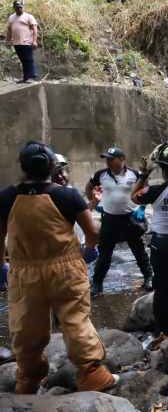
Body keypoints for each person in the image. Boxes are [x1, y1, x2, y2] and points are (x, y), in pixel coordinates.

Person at [0, 141, 119, 394]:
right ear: (52, 166)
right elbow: (92, 231)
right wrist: (89, 249)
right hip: (66, 269)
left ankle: (27, 380)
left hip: (24, 272)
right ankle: (91, 373)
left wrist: (2, 266)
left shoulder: (7, 197)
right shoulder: (67, 195)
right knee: (75, 319)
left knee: (26, 325)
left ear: (23, 167)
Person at [131, 142, 168, 340]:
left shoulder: (155, 191)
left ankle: (162, 330)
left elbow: (134, 196)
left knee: (163, 289)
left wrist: (144, 174)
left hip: (161, 244)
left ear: (163, 170)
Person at [86, 147, 151, 295]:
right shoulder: (100, 175)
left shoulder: (134, 174)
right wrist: (95, 204)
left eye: (111, 159)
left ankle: (148, 277)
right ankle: (97, 284)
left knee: (139, 250)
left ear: (122, 159)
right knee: (105, 253)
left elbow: (146, 189)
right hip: (110, 219)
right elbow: (89, 187)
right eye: (106, 159)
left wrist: (142, 207)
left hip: (131, 218)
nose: (108, 162)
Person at [5, 0, 38, 84]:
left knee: (28, 60)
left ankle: (31, 77)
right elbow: (9, 30)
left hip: (27, 42)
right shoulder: (11, 17)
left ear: (23, 7)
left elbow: (34, 29)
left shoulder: (28, 16)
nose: (19, 9)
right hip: (16, 42)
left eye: (20, 7)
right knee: (23, 60)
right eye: (17, 7)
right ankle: (26, 77)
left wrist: (34, 41)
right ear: (14, 8)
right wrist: (7, 40)